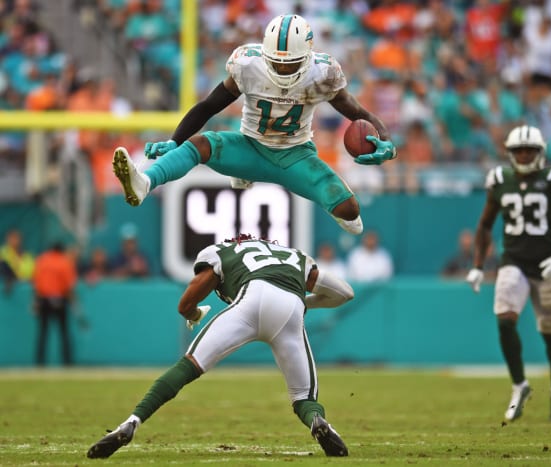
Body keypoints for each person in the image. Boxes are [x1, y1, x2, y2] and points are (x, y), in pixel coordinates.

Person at [111, 14, 397, 236]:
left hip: (295, 155)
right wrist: (175, 140)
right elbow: (209, 105)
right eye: (276, 62)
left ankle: (313, 196)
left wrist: (387, 142)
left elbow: (358, 113)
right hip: (250, 146)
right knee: (198, 144)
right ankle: (145, 182)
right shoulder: (249, 64)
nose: (282, 68)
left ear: (307, 56)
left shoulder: (323, 73)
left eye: (290, 64)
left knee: (350, 210)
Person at [87, 234, 354, 459]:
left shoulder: (221, 251)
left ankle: (131, 422)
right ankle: (318, 422)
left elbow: (186, 303)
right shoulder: (295, 256)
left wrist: (194, 314)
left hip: (251, 299)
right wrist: (302, 302)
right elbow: (345, 293)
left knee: (188, 366)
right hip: (290, 309)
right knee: (304, 398)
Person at [465, 125, 551, 424]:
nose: (523, 155)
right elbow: (484, 226)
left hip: (547, 265)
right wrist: (478, 265)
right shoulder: (500, 180)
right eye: (518, 150)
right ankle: (519, 385)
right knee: (505, 320)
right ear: (510, 153)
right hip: (513, 262)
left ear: (540, 152)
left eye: (529, 150)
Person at [32, 242, 78, 366]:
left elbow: (36, 282)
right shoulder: (64, 262)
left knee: (43, 333)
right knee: (64, 332)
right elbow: (69, 285)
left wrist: (35, 301)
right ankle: (67, 362)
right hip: (60, 300)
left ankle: (40, 362)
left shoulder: (42, 260)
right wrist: (74, 302)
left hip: (44, 300)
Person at [0, 229, 35, 294]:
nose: (14, 241)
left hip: (24, 288)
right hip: (7, 288)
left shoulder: (27, 256)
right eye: (11, 238)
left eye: (16, 238)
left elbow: (32, 272)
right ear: (7, 239)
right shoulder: (3, 252)